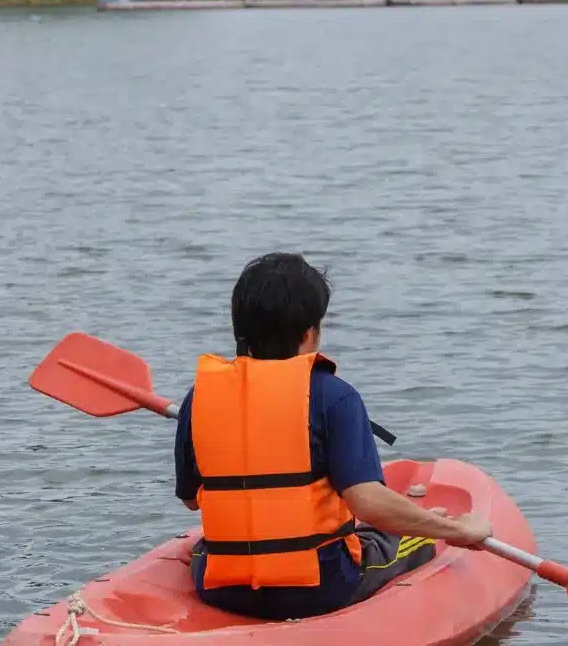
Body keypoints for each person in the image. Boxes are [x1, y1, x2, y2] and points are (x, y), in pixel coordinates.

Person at [173, 253, 492, 620]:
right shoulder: (334, 396)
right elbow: (368, 503)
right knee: (411, 538)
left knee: (205, 546)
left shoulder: (198, 399)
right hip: (321, 586)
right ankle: (433, 527)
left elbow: (191, 501)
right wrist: (455, 529)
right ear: (309, 333)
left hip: (221, 588)